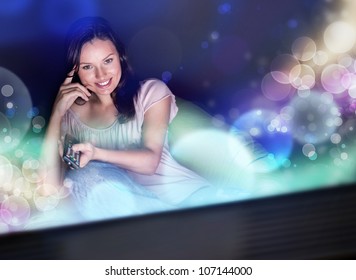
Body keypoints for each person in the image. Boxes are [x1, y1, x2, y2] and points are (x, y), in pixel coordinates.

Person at [41, 16, 223, 222]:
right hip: (134, 218)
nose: (101, 75)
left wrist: (96, 154)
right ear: (75, 71)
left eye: (107, 61)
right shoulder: (73, 116)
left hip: (188, 200)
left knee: (89, 176)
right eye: (87, 67)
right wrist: (57, 113)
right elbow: (50, 190)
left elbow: (150, 162)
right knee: (82, 180)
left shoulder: (150, 92)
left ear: (120, 57)